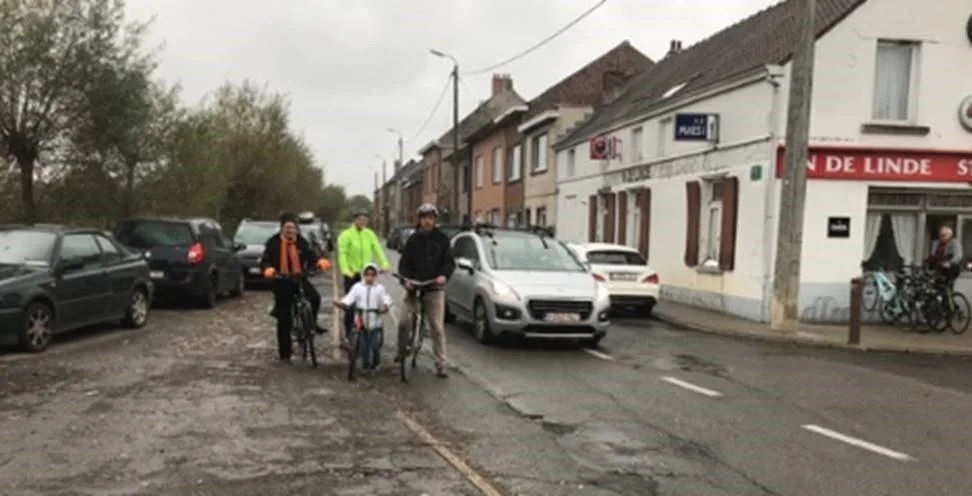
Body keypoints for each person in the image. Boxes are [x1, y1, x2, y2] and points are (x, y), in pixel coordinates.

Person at [261, 212, 331, 363]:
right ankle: (285, 354)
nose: (290, 231)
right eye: (287, 228)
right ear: (282, 228)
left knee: (315, 297)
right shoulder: (273, 242)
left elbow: (310, 256)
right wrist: (268, 269)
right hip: (282, 281)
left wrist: (319, 262)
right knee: (284, 318)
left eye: (293, 228)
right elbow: (266, 260)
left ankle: (312, 323)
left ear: (296, 229)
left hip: (298, 278)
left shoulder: (301, 242)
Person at [396, 203, 455, 378]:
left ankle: (441, 363)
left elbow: (449, 262)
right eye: (424, 218)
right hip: (414, 286)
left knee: (437, 327)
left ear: (434, 220)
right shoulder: (413, 240)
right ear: (419, 220)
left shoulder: (442, 240)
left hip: (434, 287)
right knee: (403, 321)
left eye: (430, 218)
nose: (427, 221)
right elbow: (404, 265)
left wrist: (443, 275)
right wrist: (406, 280)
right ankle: (401, 351)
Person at [337, 210, 389, 341]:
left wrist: (384, 263)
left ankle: (371, 329)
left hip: (367, 274)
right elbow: (342, 254)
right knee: (351, 305)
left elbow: (378, 249)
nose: (362, 222)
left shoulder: (369, 234)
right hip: (352, 274)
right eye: (360, 219)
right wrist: (345, 270)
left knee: (370, 302)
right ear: (354, 220)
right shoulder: (346, 235)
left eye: (365, 220)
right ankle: (349, 334)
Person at [336, 263, 391, 372]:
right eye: (367, 275)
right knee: (363, 345)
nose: (369, 277)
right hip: (361, 319)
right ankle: (365, 365)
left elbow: (386, 298)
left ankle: (376, 364)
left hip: (375, 319)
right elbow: (349, 298)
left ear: (375, 276)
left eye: (372, 275)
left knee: (375, 344)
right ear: (363, 275)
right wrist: (342, 303)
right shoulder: (357, 287)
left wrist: (386, 305)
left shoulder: (379, 288)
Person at [927, 225, 964, 289]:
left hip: (952, 268)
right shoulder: (937, 243)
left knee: (947, 285)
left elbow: (958, 256)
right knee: (934, 283)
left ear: (949, 235)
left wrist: (950, 262)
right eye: (940, 235)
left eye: (943, 235)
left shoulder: (954, 242)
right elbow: (934, 255)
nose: (941, 237)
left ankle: (948, 297)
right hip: (940, 267)